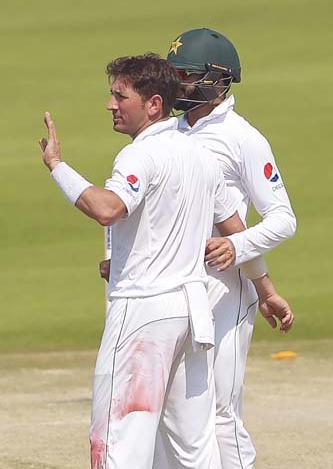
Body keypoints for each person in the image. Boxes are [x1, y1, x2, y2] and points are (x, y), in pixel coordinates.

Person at [38, 54, 290, 469]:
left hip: (142, 312)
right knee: (193, 448)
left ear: (154, 104)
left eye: (120, 96)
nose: (110, 105)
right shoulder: (200, 155)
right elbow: (234, 227)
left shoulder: (140, 155)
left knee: (117, 440)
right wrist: (266, 289)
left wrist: (56, 166)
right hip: (192, 313)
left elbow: (108, 209)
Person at [166, 27, 297, 469]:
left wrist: (237, 247)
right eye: (174, 74)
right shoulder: (167, 130)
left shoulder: (243, 138)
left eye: (187, 75)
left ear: (218, 80)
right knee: (178, 403)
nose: (177, 84)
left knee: (220, 407)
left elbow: (282, 218)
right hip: (172, 281)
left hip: (225, 286)